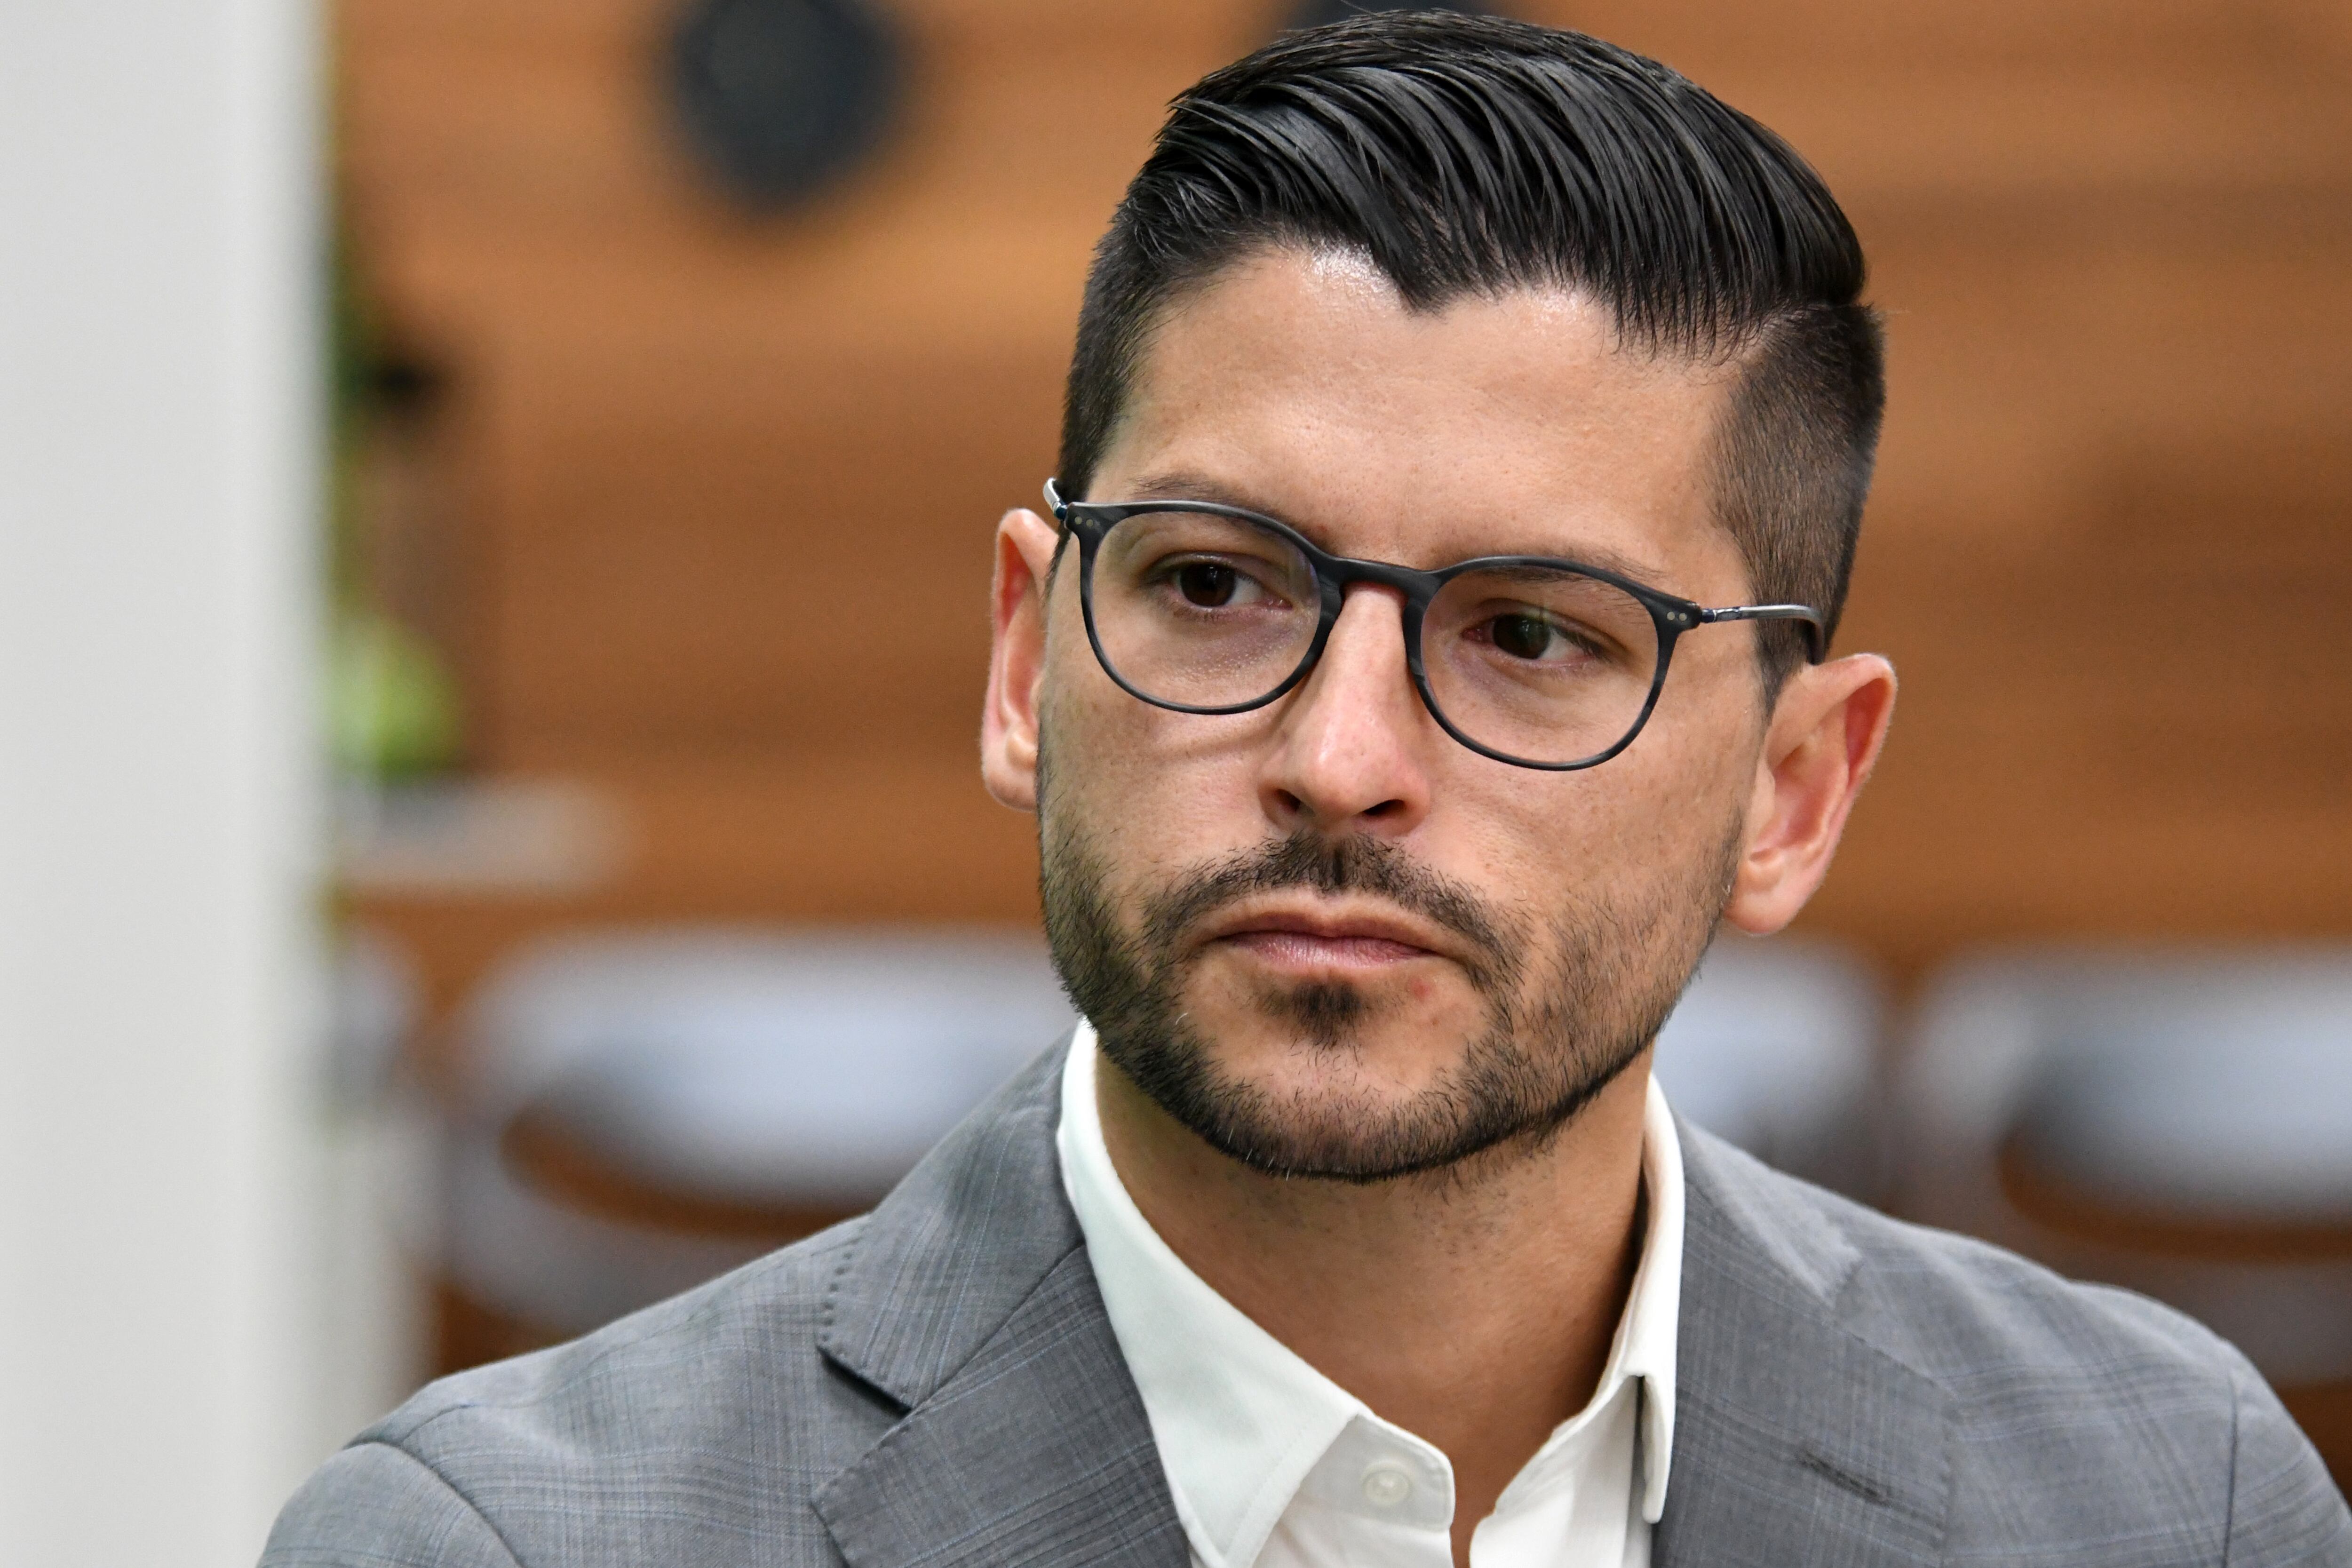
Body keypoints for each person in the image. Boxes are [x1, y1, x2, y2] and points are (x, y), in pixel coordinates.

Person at [264, 14, 2350, 1567]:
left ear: (1791, 794)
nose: (1337, 761)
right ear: (1027, 662)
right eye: (1211, 587)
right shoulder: (509, 1548)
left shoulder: (2162, 1501)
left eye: (1530, 635)